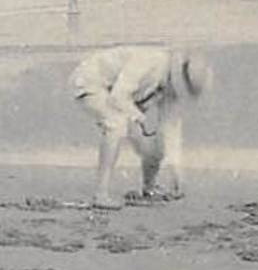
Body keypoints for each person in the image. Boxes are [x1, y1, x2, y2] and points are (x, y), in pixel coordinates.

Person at [69, 46, 211, 209]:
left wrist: (177, 175)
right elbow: (118, 96)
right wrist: (138, 116)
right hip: (90, 81)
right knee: (115, 124)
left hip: (122, 98)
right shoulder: (149, 60)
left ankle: (148, 189)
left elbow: (170, 130)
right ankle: (101, 194)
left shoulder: (170, 90)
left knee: (155, 144)